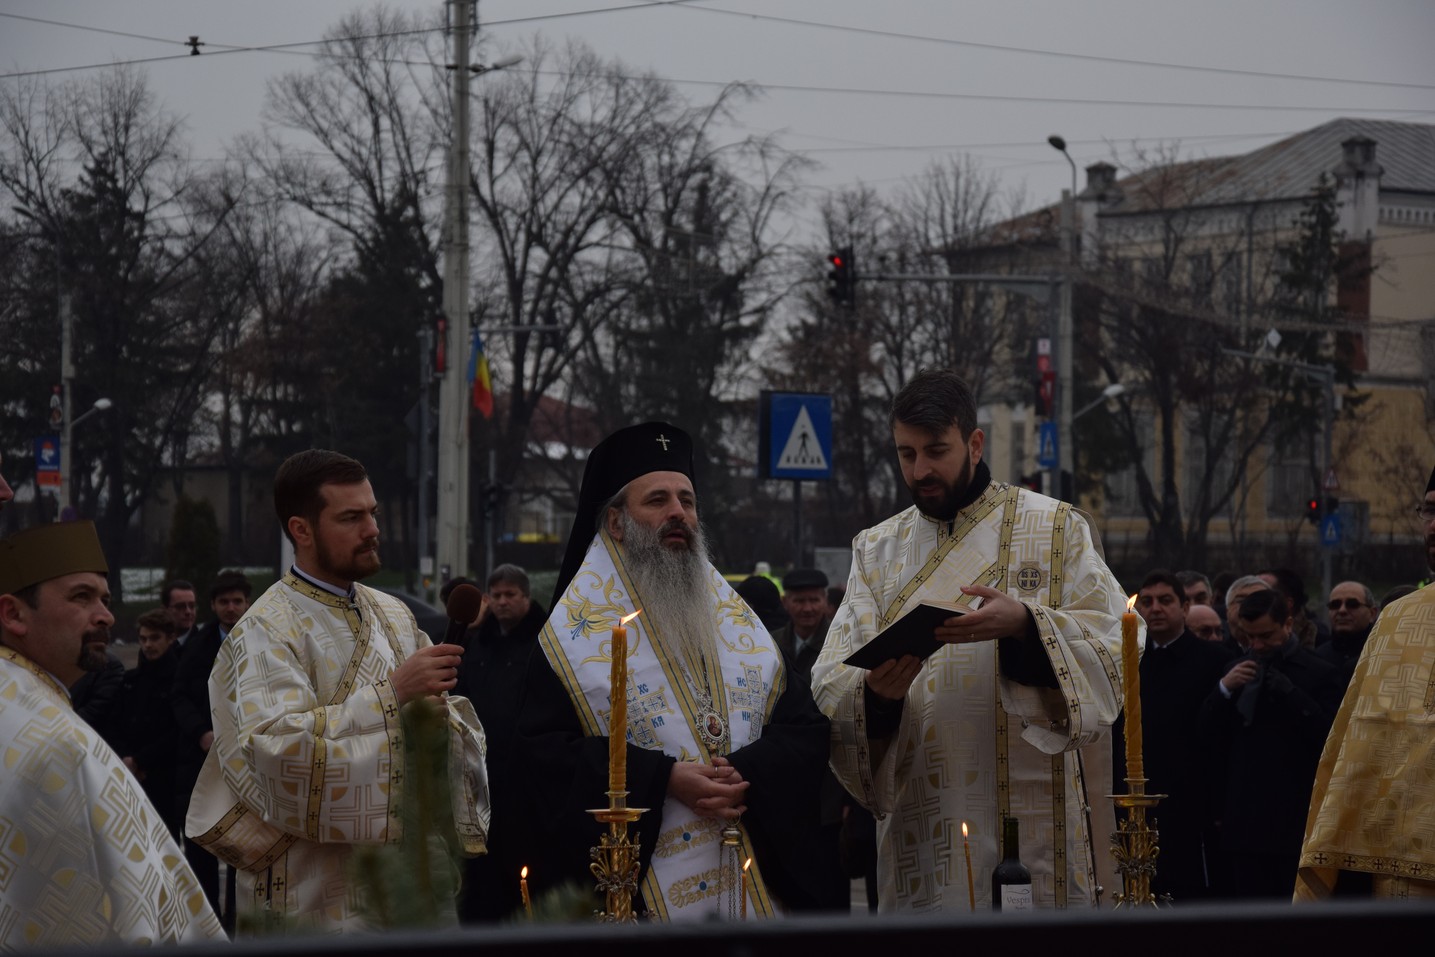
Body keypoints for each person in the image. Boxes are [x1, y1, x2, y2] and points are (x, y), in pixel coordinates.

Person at [812, 369, 1127, 912]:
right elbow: (833, 676)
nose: (921, 470)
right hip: (922, 819)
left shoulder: (1056, 529)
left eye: (937, 450)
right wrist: (878, 699)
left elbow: (1120, 640)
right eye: (906, 454)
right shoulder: (876, 550)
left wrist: (1028, 626)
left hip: (1032, 822)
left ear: (975, 444)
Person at [518, 422, 839, 919]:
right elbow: (541, 761)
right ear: (617, 523)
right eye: (658, 500)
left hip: (754, 881)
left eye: (687, 501)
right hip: (639, 900)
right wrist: (663, 778)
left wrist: (747, 770)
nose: (678, 514)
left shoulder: (739, 624)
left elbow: (804, 730)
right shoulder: (568, 641)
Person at [186, 450, 490, 933]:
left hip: (411, 883)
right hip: (312, 892)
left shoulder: (395, 614)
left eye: (373, 513)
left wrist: (438, 724)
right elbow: (276, 753)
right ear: (302, 530)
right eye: (351, 517)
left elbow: (446, 725)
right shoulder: (266, 629)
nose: (372, 529)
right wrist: (391, 696)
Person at [0, 521, 225, 946]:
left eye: (104, 598)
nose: (105, 615)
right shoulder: (53, 744)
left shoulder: (25, 702)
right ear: (14, 614)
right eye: (81, 597)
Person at [1296, 466, 1435, 901]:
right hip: (1401, 859)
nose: (1434, 525)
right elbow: (1354, 744)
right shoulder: (1399, 618)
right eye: (1429, 511)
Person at [1200, 588, 1344, 899]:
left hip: (1294, 816)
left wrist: (1292, 695)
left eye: (1266, 636)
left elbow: (1330, 737)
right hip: (1244, 817)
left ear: (1288, 624)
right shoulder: (1236, 669)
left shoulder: (1320, 672)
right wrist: (1224, 690)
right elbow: (1209, 736)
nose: (1257, 646)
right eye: (1249, 637)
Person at [1114, 571, 1235, 902]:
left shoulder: (1215, 660)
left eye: (1165, 601)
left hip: (1192, 798)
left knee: (1189, 889)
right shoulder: (1129, 658)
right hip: (1138, 795)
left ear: (1184, 607)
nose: (1155, 609)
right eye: (1147, 601)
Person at [449, 564, 547, 922]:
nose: (503, 603)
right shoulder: (477, 642)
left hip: (525, 776)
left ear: (526, 597)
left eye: (511, 595)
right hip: (479, 776)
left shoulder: (544, 642)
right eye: (497, 596)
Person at [171, 568, 253, 916]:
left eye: (237, 601)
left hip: (249, 757)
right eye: (224, 602)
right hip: (205, 757)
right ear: (213, 605)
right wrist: (200, 732)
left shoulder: (261, 637)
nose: (231, 608)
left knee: (245, 844)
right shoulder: (200, 644)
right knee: (204, 842)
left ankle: (238, 919)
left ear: (247, 603)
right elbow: (179, 695)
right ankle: (206, 921)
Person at [117, 607, 184, 838]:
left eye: (154, 638)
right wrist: (128, 758)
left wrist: (139, 760)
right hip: (132, 773)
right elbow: (118, 723)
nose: (147, 645)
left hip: (166, 778)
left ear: (171, 638)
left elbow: (177, 731)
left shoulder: (180, 679)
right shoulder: (130, 680)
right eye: (143, 639)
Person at [771, 567, 832, 681]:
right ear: (785, 602)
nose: (807, 609)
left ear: (825, 601)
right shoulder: (771, 644)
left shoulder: (840, 643)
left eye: (814, 600)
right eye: (799, 601)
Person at [1314, 581, 1378, 678]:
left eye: (1352, 604)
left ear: (1372, 613)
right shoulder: (1317, 658)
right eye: (1335, 605)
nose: (1342, 610)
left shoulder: (1382, 655)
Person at [161, 578, 199, 650]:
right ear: (165, 609)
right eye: (180, 607)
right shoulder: (153, 645)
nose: (188, 611)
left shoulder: (206, 644)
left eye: (192, 606)